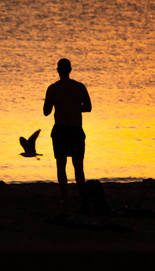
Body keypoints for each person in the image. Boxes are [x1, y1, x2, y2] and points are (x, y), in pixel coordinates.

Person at [43, 58, 92, 202]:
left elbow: (46, 111)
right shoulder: (79, 87)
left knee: (61, 165)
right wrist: (75, 108)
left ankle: (65, 197)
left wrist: (59, 106)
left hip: (60, 130)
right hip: (76, 130)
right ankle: (82, 197)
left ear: (58, 70)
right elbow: (88, 108)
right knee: (78, 166)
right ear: (70, 70)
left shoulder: (53, 88)